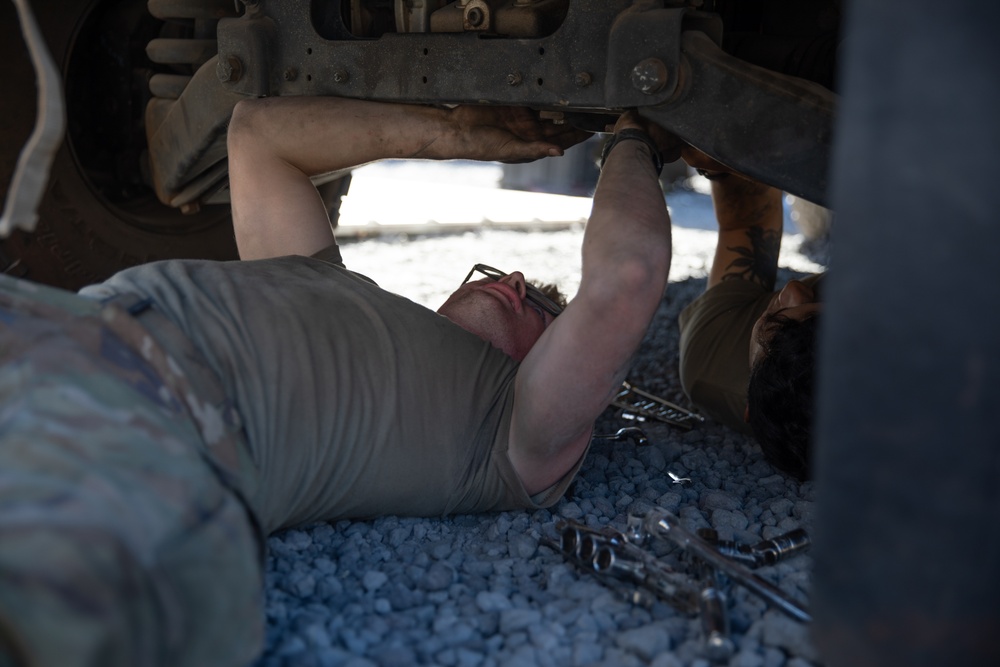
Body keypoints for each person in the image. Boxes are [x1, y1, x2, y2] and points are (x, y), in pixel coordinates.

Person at [0, 97, 675, 667]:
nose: (515, 282)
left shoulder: (519, 436)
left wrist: (633, 130)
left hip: (156, 430)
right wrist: (453, 132)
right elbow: (257, 135)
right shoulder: (324, 274)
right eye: (496, 273)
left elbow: (627, 275)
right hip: (57, 321)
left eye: (542, 307)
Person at [677, 150, 823, 481]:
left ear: (747, 407)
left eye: (776, 320)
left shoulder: (711, 359)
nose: (795, 291)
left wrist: (725, 151)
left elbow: (746, 223)